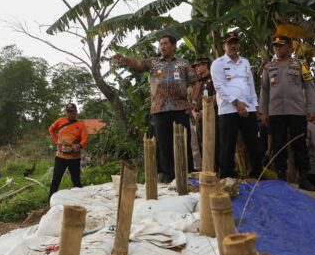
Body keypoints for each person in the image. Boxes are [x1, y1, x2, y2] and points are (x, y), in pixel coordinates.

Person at [112, 35, 197, 182]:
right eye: (160, 44)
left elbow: (196, 81)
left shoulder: (183, 63)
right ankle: (169, 176)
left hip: (181, 108)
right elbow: (138, 64)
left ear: (173, 46)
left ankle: (187, 174)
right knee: (164, 145)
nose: (162, 47)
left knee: (183, 141)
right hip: (159, 109)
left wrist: (193, 103)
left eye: (165, 44)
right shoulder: (153, 62)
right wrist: (124, 59)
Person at [259, 35, 315, 190]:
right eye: (275, 46)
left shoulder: (301, 65)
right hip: (276, 112)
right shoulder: (268, 67)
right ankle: (281, 177)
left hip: (297, 110)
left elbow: (309, 86)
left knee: (300, 143)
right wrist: (263, 112)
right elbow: (264, 91)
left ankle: (304, 177)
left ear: (290, 47)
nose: (278, 48)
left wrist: (312, 107)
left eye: (281, 45)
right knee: (278, 144)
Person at [211, 32, 262, 179]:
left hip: (248, 108)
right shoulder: (218, 63)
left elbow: (250, 84)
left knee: (253, 141)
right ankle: (227, 174)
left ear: (239, 44)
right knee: (228, 143)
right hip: (228, 109)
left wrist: (255, 104)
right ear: (224, 46)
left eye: (235, 43)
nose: (233, 46)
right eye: (229, 43)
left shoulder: (245, 62)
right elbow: (219, 87)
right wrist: (236, 103)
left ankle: (257, 173)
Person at [47, 103, 89, 201]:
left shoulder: (80, 125)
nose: (69, 114)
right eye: (68, 112)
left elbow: (85, 138)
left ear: (76, 112)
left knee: (76, 181)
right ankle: (50, 202)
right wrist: (57, 141)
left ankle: (80, 201)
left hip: (74, 158)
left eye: (71, 112)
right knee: (55, 181)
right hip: (60, 158)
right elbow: (51, 130)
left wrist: (80, 145)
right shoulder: (60, 121)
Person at [189, 56, 216, 171]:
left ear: (205, 65)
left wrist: (205, 110)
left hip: (212, 116)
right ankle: (204, 170)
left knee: (213, 144)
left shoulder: (214, 78)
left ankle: (215, 169)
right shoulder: (196, 83)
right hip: (198, 118)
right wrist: (193, 112)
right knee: (200, 145)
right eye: (195, 67)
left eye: (199, 65)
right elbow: (191, 101)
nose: (197, 68)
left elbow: (217, 96)